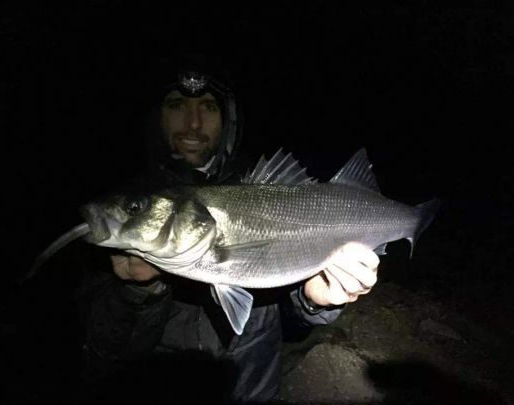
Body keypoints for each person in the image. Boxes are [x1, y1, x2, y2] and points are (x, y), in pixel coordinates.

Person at [77, 56, 380, 404]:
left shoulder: (263, 185)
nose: (193, 123)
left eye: (208, 107)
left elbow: (294, 325)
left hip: (253, 391)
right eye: (177, 105)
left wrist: (313, 300)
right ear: (156, 116)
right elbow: (100, 355)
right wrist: (135, 292)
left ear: (228, 118)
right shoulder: (129, 196)